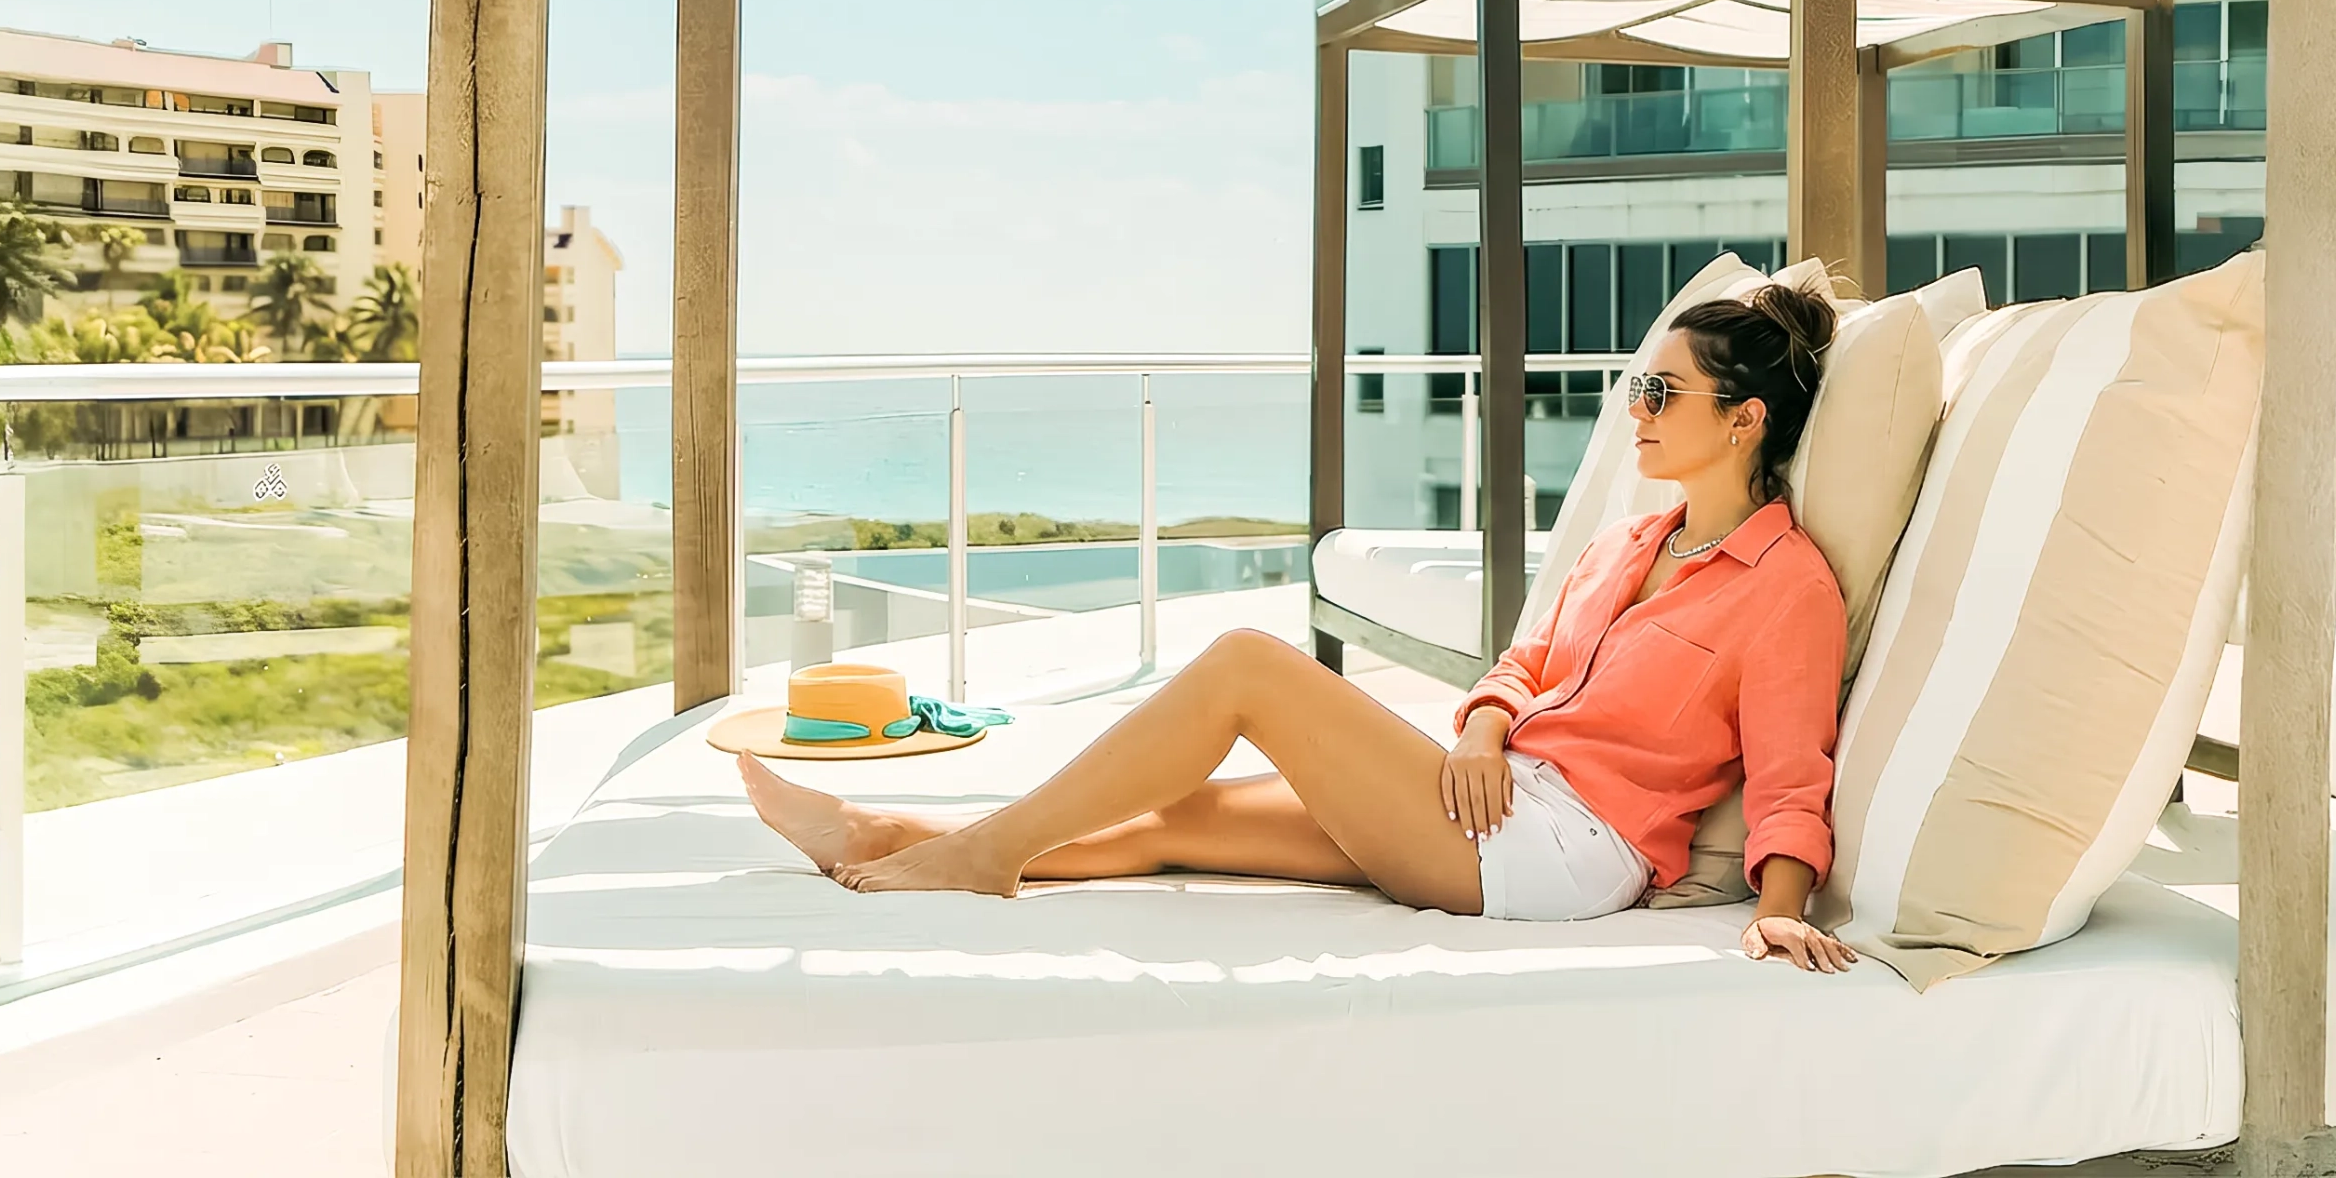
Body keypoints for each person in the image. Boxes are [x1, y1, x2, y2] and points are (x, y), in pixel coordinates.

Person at [741, 284, 1857, 973]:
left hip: (1569, 850)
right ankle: (895, 837)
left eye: (1662, 394)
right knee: (1177, 813)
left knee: (1246, 670)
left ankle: (981, 856)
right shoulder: (1633, 539)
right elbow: (1526, 664)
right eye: (1636, 388)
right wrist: (1477, 727)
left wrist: (1774, 913)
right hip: (1497, 787)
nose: (1636, 412)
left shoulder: (1785, 584)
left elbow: (1791, 775)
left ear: (1745, 418)